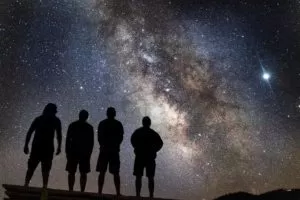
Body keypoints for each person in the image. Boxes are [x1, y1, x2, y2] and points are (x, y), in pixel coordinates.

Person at [24, 103, 62, 188]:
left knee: (43, 169)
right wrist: (26, 145)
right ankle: (29, 184)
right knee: (36, 168)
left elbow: (59, 135)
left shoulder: (40, 119)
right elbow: (30, 132)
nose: (54, 113)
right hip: (41, 147)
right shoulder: (48, 120)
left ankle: (41, 186)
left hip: (42, 147)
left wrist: (59, 146)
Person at [131, 116, 163, 198]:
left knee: (139, 176)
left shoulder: (138, 132)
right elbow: (160, 143)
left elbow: (132, 140)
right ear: (150, 123)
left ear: (143, 122)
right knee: (150, 177)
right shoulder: (153, 133)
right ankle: (151, 195)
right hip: (150, 157)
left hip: (140, 156)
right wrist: (155, 150)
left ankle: (138, 195)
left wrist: (136, 148)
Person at [96, 107, 124, 196]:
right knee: (116, 173)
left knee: (102, 172)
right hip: (114, 151)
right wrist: (116, 145)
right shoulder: (118, 124)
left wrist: (103, 145)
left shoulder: (102, 123)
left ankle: (100, 191)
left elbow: (99, 137)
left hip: (104, 150)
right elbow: (121, 137)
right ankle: (118, 192)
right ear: (114, 114)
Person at [65, 110, 94, 192]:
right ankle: (82, 191)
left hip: (73, 151)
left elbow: (68, 140)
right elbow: (91, 143)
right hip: (84, 153)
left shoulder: (72, 125)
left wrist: (67, 151)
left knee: (72, 172)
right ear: (87, 117)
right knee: (83, 173)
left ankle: (71, 190)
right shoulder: (89, 128)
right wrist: (89, 153)